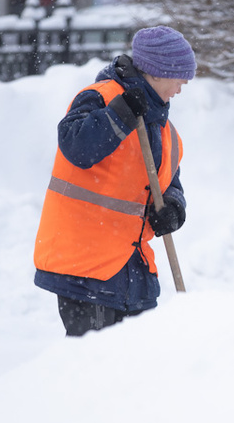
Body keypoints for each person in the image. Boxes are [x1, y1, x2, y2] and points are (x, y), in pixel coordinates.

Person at [33, 25, 194, 335]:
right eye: (179, 79)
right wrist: (120, 114)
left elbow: (170, 182)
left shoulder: (165, 131)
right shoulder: (101, 98)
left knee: (135, 362)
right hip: (85, 267)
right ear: (157, 72)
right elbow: (76, 146)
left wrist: (173, 209)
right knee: (91, 363)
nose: (180, 89)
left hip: (133, 271)